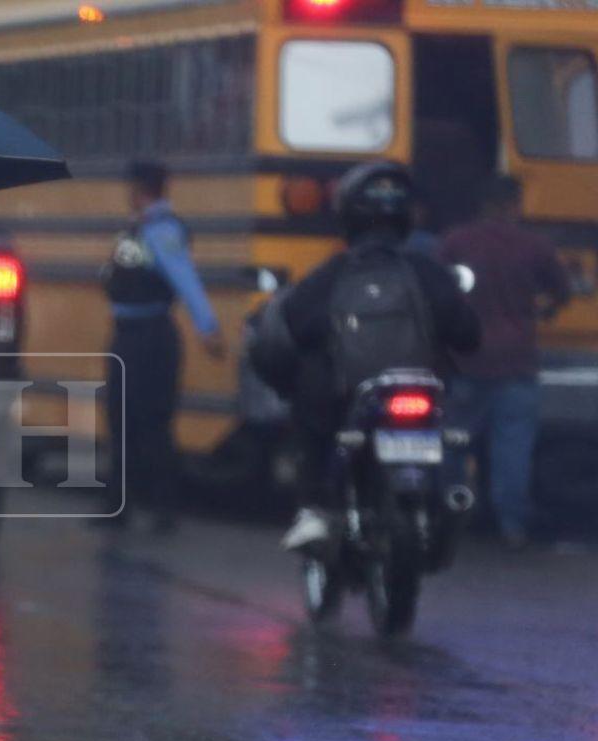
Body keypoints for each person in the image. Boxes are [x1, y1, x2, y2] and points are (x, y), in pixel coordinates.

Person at [256, 161, 481, 551]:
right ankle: (448, 495)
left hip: (348, 397)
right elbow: (468, 335)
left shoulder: (331, 274)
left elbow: (292, 329)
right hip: (422, 391)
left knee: (310, 420)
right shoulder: (427, 272)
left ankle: (315, 509)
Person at [438, 175, 570, 549]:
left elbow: (438, 290)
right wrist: (543, 311)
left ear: (481, 205)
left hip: (466, 360)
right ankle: (512, 527)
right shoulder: (535, 245)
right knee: (512, 450)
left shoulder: (456, 242)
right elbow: (561, 291)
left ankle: (449, 515)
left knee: (453, 444)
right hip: (517, 362)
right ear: (514, 204)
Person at [96, 159, 225, 533]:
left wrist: (207, 326)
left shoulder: (162, 230)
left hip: (149, 337)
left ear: (140, 189)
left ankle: (162, 506)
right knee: (121, 419)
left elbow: (184, 278)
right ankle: (119, 504)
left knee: (152, 422)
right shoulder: (139, 227)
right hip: (129, 335)